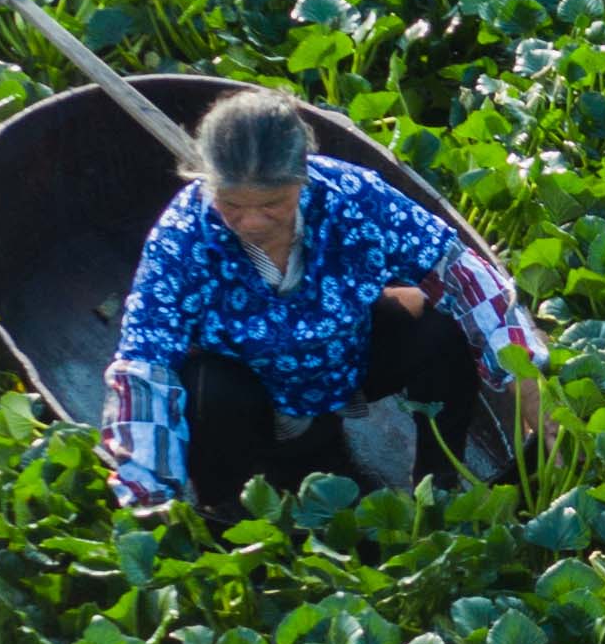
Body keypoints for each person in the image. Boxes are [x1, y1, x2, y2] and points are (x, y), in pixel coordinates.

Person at [99, 85, 484, 511]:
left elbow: (455, 263)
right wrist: (144, 485)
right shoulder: (184, 233)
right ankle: (228, 516)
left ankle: (438, 489)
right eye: (231, 204)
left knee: (439, 324)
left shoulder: (349, 194)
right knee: (207, 385)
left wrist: (526, 381)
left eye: (271, 204)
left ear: (302, 179)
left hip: (343, 363)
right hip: (247, 401)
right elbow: (146, 356)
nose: (251, 222)